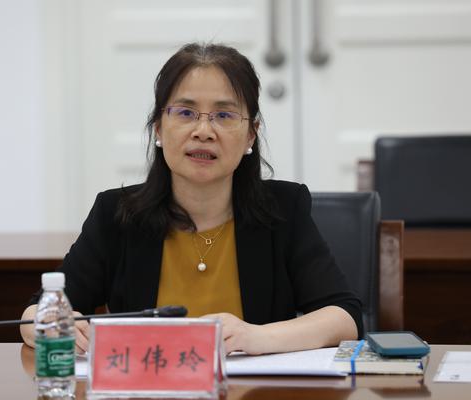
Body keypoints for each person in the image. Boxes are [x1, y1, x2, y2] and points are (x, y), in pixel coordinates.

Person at [21, 42, 362, 355]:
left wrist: (255, 337)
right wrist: (51, 326)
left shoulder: (284, 208)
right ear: (158, 127)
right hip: (147, 389)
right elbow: (38, 311)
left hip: (253, 390)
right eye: (185, 113)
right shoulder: (117, 213)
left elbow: (344, 317)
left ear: (251, 135)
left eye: (224, 115)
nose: (203, 131)